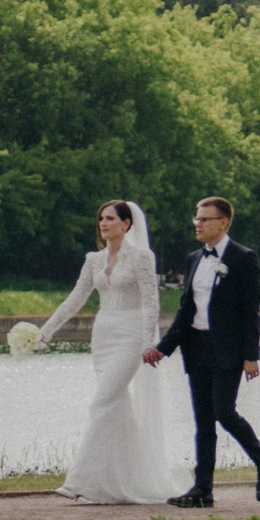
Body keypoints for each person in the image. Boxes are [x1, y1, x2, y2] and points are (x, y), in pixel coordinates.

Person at [34, 200, 183, 504]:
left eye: (111, 218)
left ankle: (77, 481)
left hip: (130, 335)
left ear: (126, 224)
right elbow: (76, 298)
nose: (104, 223)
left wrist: (147, 342)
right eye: (101, 218)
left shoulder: (142, 257)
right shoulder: (93, 260)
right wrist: (46, 330)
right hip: (103, 336)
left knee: (102, 402)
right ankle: (126, 482)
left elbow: (151, 302)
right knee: (116, 407)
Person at [144, 196, 260, 508]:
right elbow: (185, 312)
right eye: (196, 218)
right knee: (203, 421)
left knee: (224, 412)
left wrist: (251, 355)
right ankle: (202, 490)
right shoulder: (194, 259)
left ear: (223, 223)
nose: (197, 224)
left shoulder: (244, 258)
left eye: (204, 219)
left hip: (228, 350)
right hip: (197, 348)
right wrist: (163, 349)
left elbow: (250, 311)